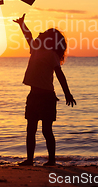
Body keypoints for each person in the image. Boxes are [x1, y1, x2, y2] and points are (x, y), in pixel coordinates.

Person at [13, 14, 76, 166]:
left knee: (46, 131)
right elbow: (28, 36)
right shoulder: (35, 48)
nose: (39, 34)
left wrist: (67, 93)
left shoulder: (51, 55)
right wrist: (22, 24)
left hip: (47, 97)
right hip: (33, 96)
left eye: (43, 34)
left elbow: (60, 75)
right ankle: (29, 160)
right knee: (30, 130)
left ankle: (52, 160)